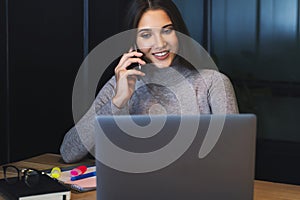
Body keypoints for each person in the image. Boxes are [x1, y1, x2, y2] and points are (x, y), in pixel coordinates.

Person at [60, 0, 239, 163]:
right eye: (146, 35)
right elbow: (68, 152)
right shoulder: (119, 85)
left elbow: (234, 156)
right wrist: (117, 102)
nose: (160, 43)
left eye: (167, 30)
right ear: (133, 42)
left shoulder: (213, 83)